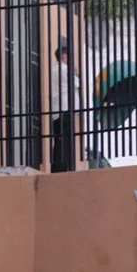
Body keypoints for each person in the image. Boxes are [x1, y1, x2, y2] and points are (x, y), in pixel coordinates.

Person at [49, 40, 81, 173]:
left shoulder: (53, 69)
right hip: (65, 108)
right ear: (64, 56)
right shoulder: (64, 69)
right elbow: (76, 84)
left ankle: (57, 166)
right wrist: (75, 74)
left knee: (59, 139)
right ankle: (64, 167)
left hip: (56, 110)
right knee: (66, 140)